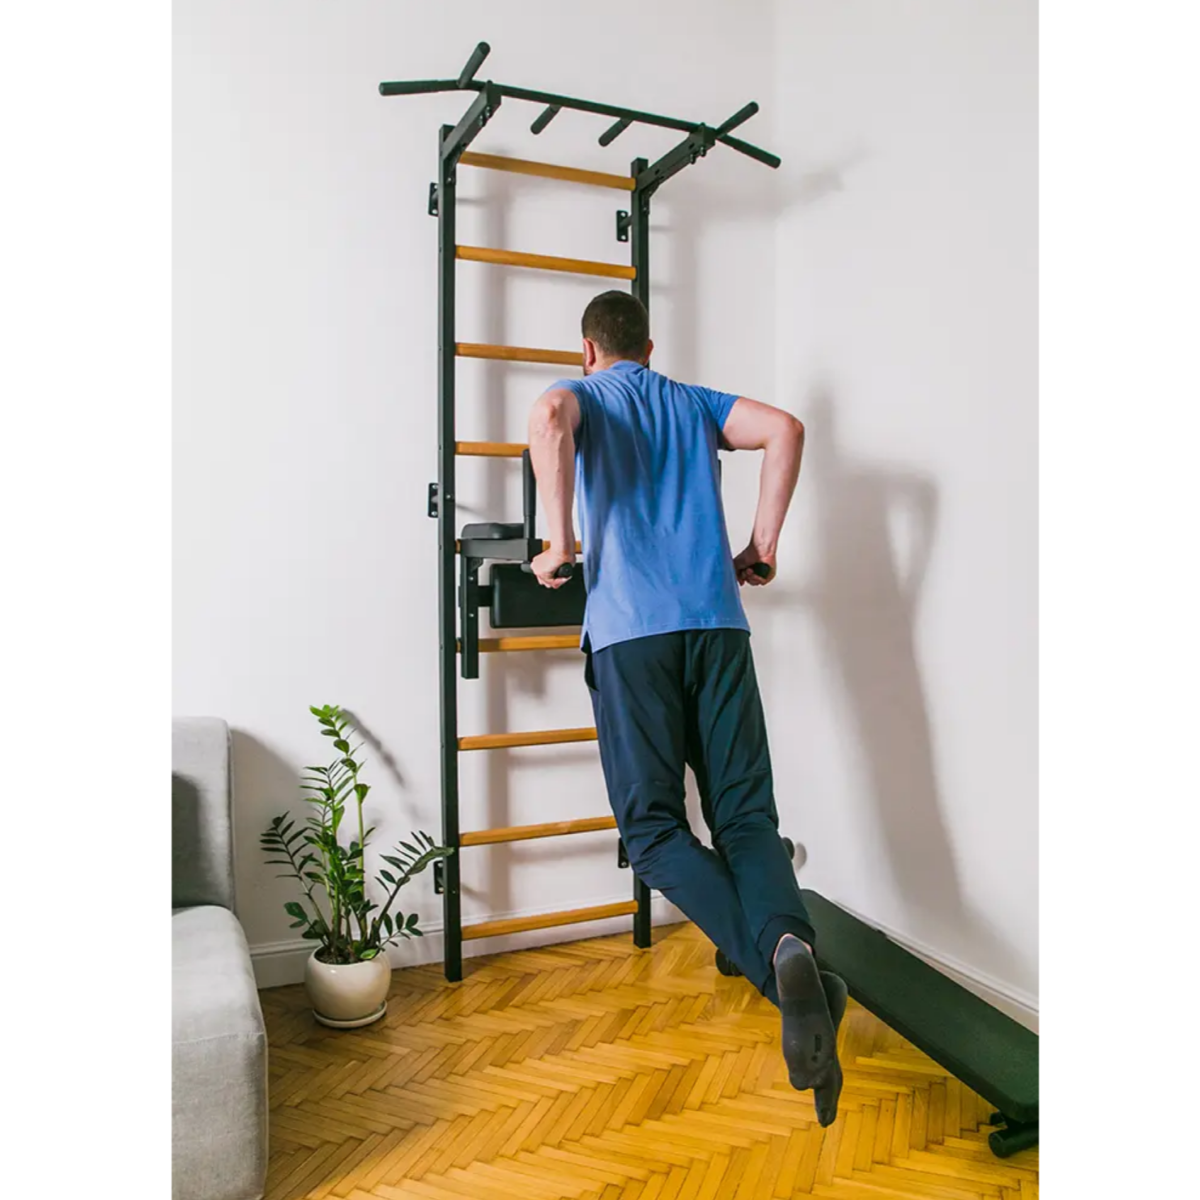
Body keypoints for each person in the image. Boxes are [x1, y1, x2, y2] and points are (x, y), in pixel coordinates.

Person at [526, 290, 846, 1124]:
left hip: (634, 643)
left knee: (656, 832)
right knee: (745, 816)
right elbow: (786, 430)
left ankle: (770, 963)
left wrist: (559, 543)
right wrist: (762, 547)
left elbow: (549, 414)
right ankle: (786, 940)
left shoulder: (586, 393)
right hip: (718, 628)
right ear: (649, 345)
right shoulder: (691, 402)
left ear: (589, 350)